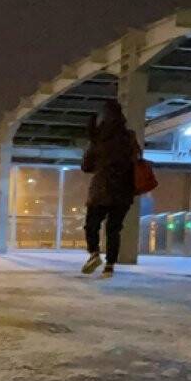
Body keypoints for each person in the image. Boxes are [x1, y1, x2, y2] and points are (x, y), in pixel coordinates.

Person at [80, 100, 137, 278]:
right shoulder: (129, 137)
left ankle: (94, 254)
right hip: (123, 191)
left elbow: (86, 166)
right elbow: (136, 159)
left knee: (92, 225)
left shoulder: (99, 138)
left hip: (102, 190)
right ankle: (109, 266)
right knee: (114, 229)